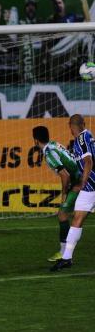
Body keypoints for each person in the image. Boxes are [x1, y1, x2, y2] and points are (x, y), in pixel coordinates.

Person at [51, 114, 95, 271]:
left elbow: (89, 161)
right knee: (77, 219)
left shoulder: (82, 139)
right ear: (82, 123)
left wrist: (83, 181)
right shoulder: (86, 137)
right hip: (89, 188)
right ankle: (67, 258)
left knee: (77, 219)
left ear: (70, 126)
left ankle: (66, 257)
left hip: (90, 186)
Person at [32, 126, 81, 261]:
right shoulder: (54, 144)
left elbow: (64, 175)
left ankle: (64, 252)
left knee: (63, 215)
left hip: (79, 181)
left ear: (36, 140)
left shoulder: (48, 154)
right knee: (69, 215)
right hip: (81, 177)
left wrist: (64, 193)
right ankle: (65, 251)